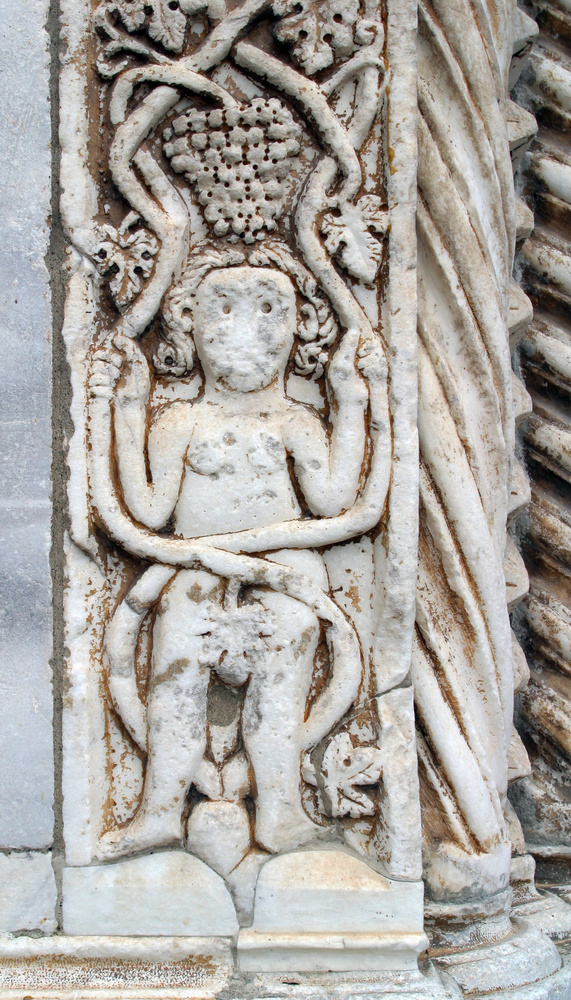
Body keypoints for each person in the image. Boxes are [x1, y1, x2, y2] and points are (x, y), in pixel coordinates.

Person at [89, 250, 386, 858]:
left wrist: (355, 400)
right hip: (194, 582)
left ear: (298, 330)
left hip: (283, 579)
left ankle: (280, 811)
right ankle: (160, 811)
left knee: (278, 697)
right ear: (189, 329)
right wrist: (125, 407)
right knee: (173, 686)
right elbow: (145, 511)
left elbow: (339, 504)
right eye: (223, 310)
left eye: (270, 310)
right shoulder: (180, 421)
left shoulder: (296, 422)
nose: (246, 330)